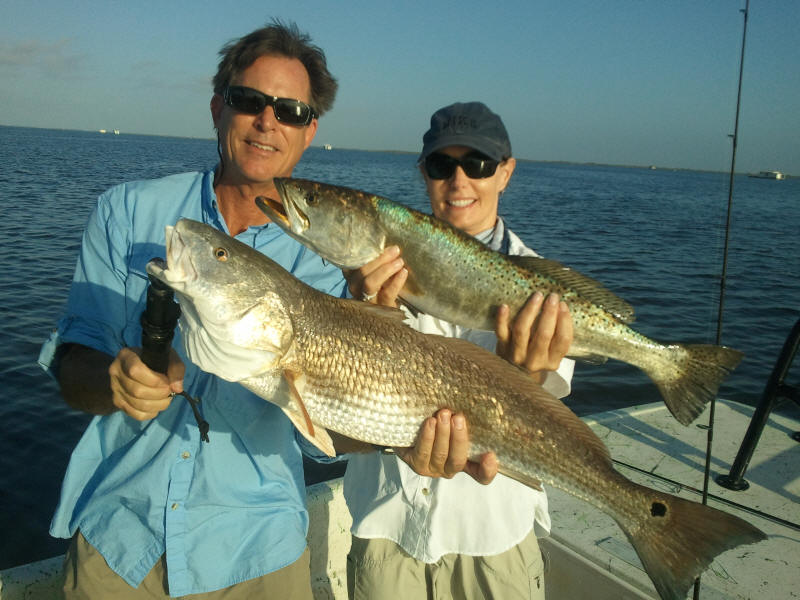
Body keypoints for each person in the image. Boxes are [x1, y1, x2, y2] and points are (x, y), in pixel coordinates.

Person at [37, 23, 492, 599]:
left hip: (259, 552)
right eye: (249, 100)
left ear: (309, 131)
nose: (267, 121)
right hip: (120, 543)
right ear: (217, 108)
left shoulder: (334, 265)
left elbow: (320, 430)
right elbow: (73, 361)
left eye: (291, 111)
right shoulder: (128, 211)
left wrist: (404, 438)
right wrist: (113, 381)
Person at [343, 102, 576, 600]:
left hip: (492, 536)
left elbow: (552, 424)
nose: (459, 180)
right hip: (387, 527)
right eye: (441, 164)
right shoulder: (366, 272)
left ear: (506, 172)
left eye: (478, 164)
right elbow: (340, 405)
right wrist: (363, 317)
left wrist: (527, 378)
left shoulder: (547, 291)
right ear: (423, 173)